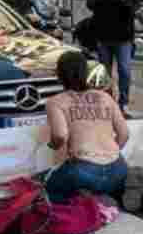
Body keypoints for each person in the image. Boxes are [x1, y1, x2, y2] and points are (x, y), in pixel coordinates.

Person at [44, 51, 130, 203]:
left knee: (49, 187)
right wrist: (107, 154)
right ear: (85, 72)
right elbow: (124, 134)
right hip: (118, 168)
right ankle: (104, 197)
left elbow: (60, 135)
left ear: (59, 74)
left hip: (82, 171)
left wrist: (52, 145)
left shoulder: (56, 102)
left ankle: (77, 205)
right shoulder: (105, 97)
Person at [86, 0, 143, 117]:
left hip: (124, 38)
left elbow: (139, 8)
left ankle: (123, 103)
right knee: (104, 72)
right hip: (103, 36)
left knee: (124, 71)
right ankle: (107, 102)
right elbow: (90, 4)